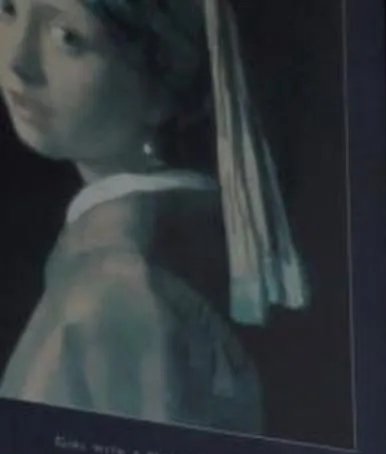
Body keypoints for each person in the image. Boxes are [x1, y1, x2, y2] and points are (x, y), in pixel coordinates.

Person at [0, 0, 306, 431]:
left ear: (164, 85)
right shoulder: (187, 235)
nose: (17, 62)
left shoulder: (117, 291)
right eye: (8, 8)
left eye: (67, 37)